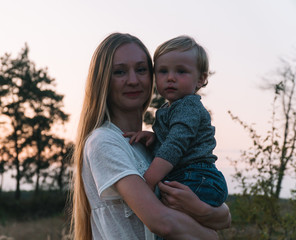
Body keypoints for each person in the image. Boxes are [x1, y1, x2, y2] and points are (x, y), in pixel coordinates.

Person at [71, 32, 231, 240]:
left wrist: (201, 210)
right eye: (119, 72)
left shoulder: (149, 147)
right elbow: (162, 222)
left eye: (141, 70)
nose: (133, 80)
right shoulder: (103, 141)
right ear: (103, 80)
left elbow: (225, 217)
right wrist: (211, 235)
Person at [125, 35, 228, 207]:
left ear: (201, 79)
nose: (171, 78)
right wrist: (155, 139)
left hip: (198, 176)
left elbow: (175, 145)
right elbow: (176, 140)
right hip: (187, 175)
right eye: (163, 71)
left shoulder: (188, 107)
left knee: (167, 222)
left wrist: (148, 180)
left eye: (181, 71)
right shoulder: (170, 109)